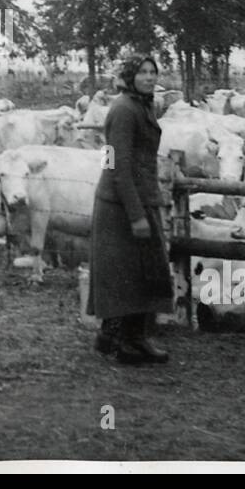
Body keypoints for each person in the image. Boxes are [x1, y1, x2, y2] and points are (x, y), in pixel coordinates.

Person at [87, 55, 173, 364]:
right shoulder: (124, 109)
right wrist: (135, 215)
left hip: (139, 197)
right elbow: (116, 165)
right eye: (143, 72)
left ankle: (135, 337)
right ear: (129, 76)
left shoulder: (140, 104)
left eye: (153, 72)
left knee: (144, 270)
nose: (149, 77)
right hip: (120, 204)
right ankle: (122, 341)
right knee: (125, 273)